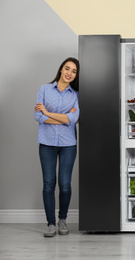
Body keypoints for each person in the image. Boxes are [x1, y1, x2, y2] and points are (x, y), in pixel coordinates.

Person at [34, 57, 80, 237]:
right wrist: (62, 118)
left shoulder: (75, 95)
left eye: (73, 71)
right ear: (61, 69)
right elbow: (38, 117)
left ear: (76, 75)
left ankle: (62, 220)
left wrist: (47, 113)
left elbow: (73, 119)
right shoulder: (44, 89)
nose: (69, 73)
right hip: (46, 143)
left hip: (68, 144)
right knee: (48, 184)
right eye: (67, 69)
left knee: (65, 184)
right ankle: (51, 224)